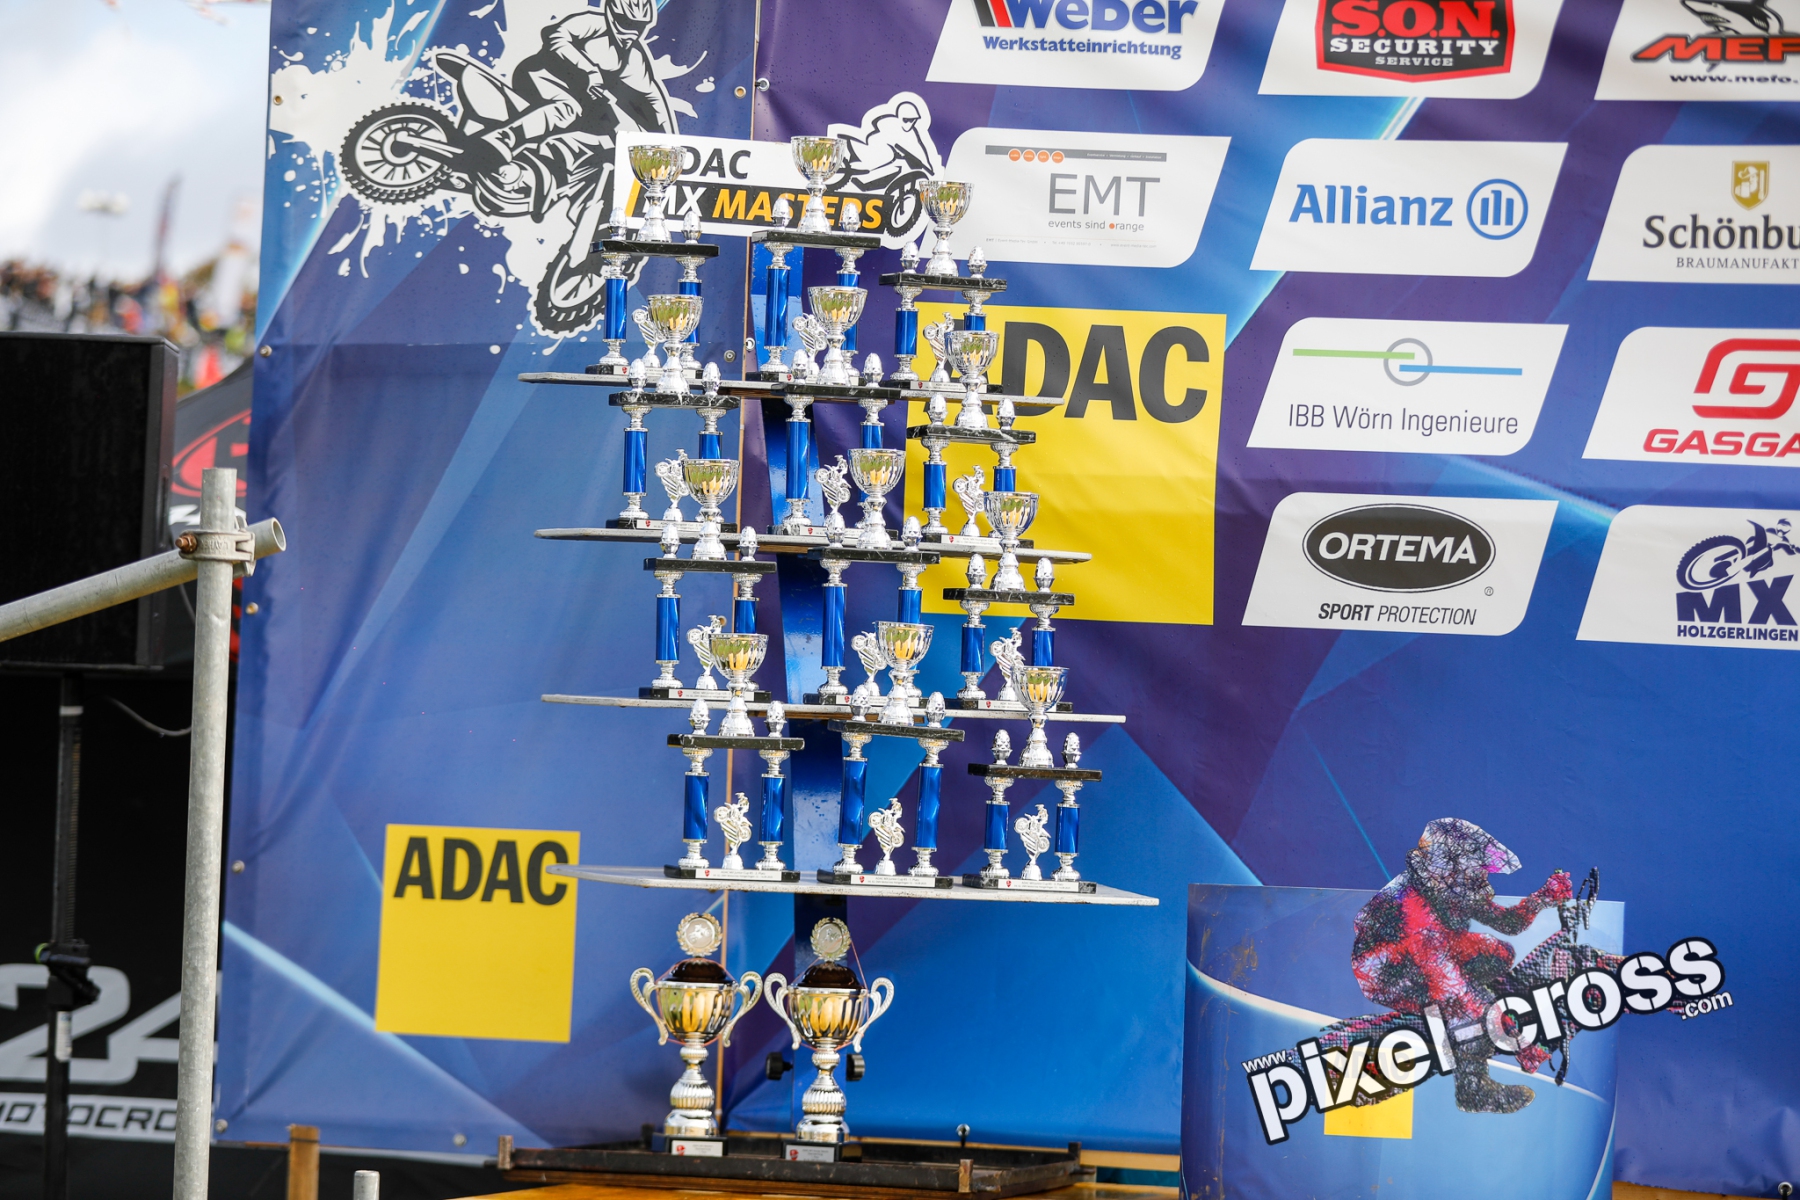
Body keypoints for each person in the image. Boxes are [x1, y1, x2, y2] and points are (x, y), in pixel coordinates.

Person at [1350, 818, 1571, 1113]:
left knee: (1499, 954)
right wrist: (1520, 1041)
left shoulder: (1451, 887)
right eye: (1477, 869)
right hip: (1388, 972)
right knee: (1464, 1008)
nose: (1483, 877)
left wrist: (1542, 898)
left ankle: (1462, 1019)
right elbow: (1455, 990)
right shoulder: (1419, 915)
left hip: (1433, 947)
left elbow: (1508, 923)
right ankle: (1472, 1089)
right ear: (1450, 868)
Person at [482, 0, 674, 162]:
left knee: (612, 125)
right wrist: (589, 72)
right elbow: (555, 37)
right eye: (626, 23)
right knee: (569, 108)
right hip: (539, 74)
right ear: (612, 16)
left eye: (638, 26)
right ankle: (505, 137)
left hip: (580, 97)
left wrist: (670, 142)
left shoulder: (633, 58)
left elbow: (652, 99)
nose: (631, 32)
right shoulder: (592, 24)